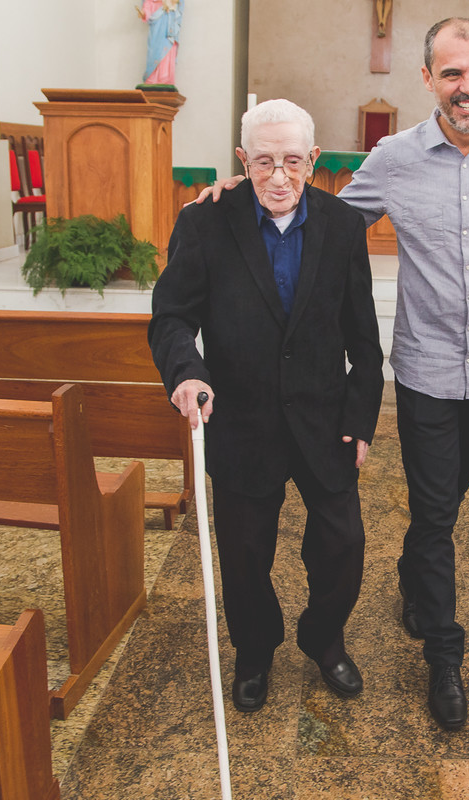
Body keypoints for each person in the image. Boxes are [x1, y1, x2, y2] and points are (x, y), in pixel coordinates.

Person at [195, 17, 469, 731]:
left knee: (444, 505)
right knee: (436, 516)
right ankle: (444, 654)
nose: (468, 86)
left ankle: (413, 575)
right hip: (425, 368)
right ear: (428, 79)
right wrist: (252, 186)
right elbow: (321, 218)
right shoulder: (395, 158)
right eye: (452, 73)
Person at [148, 99, 384, 713]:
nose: (279, 177)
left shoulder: (341, 225)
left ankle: (324, 639)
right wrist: (186, 373)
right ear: (241, 160)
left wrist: (360, 418)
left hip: (324, 419)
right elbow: (171, 316)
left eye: (292, 161)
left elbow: (363, 337)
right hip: (242, 419)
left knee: (343, 546)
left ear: (313, 159)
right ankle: (254, 652)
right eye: (263, 162)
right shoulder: (205, 222)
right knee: (245, 555)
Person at [137, 0, 183, 86]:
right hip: (156, 24)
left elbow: (178, 4)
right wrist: (144, 13)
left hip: (169, 22)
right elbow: (148, 4)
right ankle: (152, 77)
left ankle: (165, 78)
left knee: (168, 49)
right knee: (154, 50)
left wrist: (171, 3)